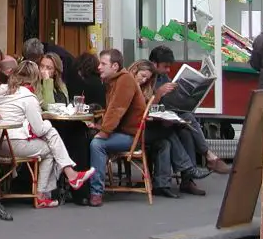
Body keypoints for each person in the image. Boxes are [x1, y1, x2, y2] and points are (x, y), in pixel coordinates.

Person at [0, 62, 94, 207]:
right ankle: (43, 194)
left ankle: (70, 175)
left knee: (51, 140)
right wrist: (48, 124)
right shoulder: (28, 97)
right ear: (35, 78)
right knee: (50, 148)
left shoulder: (2, 91)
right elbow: (39, 129)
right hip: (14, 144)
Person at [148, 45, 230, 175]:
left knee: (187, 129)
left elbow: (169, 101)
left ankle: (189, 180)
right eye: (165, 66)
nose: (168, 70)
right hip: (151, 123)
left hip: (166, 116)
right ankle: (208, 156)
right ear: (154, 64)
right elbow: (146, 108)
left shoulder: (162, 77)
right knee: (188, 120)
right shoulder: (146, 78)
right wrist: (159, 94)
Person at [129, 61, 205, 198]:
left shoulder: (143, 87)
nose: (144, 80)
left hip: (141, 128)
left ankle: (162, 185)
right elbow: (140, 111)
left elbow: (147, 110)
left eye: (147, 78)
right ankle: (189, 168)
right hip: (132, 131)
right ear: (135, 70)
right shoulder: (129, 86)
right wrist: (158, 95)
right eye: (142, 75)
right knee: (168, 132)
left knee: (166, 142)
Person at [88, 49, 146, 207]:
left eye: (103, 64)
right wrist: (100, 126)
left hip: (130, 136)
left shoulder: (125, 80)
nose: (99, 67)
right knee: (86, 136)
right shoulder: (115, 80)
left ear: (115, 66)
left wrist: (103, 131)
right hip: (123, 132)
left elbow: (117, 109)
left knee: (97, 144)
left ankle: (95, 192)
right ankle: (83, 186)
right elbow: (114, 110)